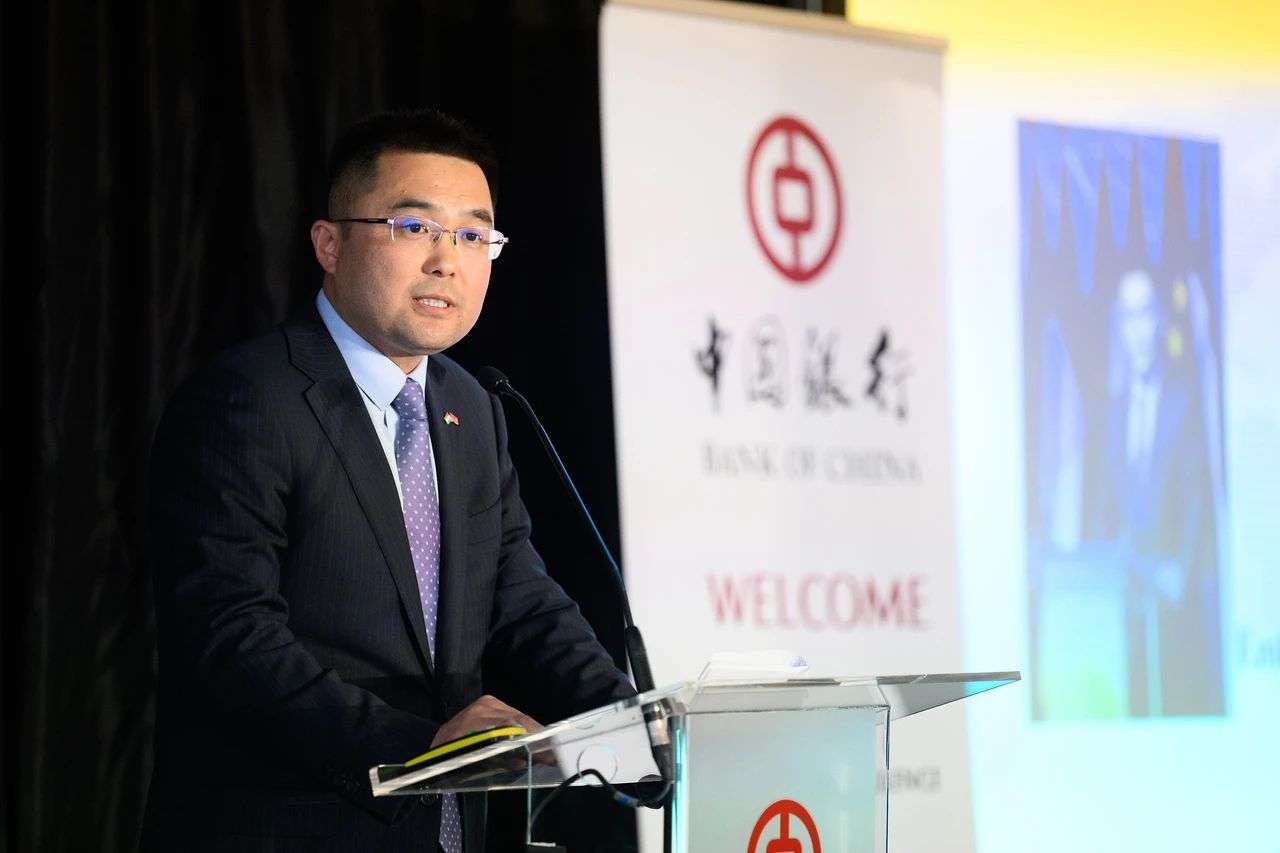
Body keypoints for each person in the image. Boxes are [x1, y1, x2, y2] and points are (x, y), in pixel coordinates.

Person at [141, 109, 634, 851]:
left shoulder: (471, 406)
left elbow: (521, 601)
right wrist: (422, 748)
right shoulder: (249, 398)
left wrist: (630, 723)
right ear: (329, 244)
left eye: (473, 236)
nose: (447, 261)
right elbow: (229, 636)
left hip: (443, 832)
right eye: (415, 227)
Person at [1101, 269, 1223, 717]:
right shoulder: (1114, 412)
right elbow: (1112, 508)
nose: (1137, 330)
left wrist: (1180, 570)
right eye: (1128, 316)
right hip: (1130, 595)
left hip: (1177, 595)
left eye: (1145, 313)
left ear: (1159, 321)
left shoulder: (1185, 401)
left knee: (1179, 703)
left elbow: (1197, 499)